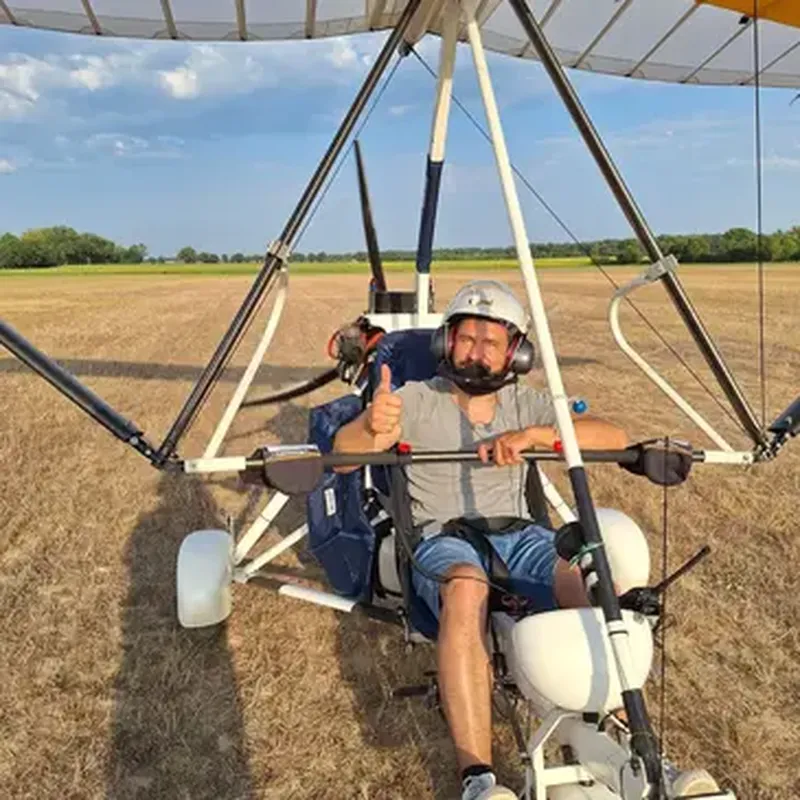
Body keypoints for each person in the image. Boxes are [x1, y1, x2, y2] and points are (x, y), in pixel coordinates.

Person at [333, 279, 629, 800]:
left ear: (515, 353)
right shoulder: (414, 400)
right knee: (467, 583)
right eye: (467, 339)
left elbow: (614, 437)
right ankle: (479, 777)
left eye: (491, 343)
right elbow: (345, 455)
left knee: (589, 576)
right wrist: (372, 426)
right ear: (446, 343)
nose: (476, 352)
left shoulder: (526, 404)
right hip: (442, 539)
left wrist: (537, 436)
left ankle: (622, 731)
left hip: (521, 536)